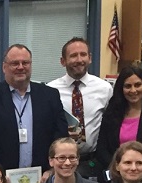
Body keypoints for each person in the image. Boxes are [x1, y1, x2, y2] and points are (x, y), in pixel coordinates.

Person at [0, 44, 68, 179]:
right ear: (4, 67)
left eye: (25, 63)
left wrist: (53, 170)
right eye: (14, 63)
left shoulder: (50, 95)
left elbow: (60, 137)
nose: (21, 67)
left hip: (44, 178)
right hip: (2, 181)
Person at [96, 65, 142, 183]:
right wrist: (120, 168)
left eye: (137, 85)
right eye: (127, 86)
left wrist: (137, 167)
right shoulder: (111, 112)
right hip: (115, 178)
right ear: (121, 89)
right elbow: (101, 148)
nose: (133, 90)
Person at [47, 37, 113, 170]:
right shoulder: (51, 90)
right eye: (73, 56)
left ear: (90, 58)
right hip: (61, 162)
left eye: (83, 55)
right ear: (63, 61)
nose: (79, 60)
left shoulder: (104, 89)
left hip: (94, 161)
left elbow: (111, 127)